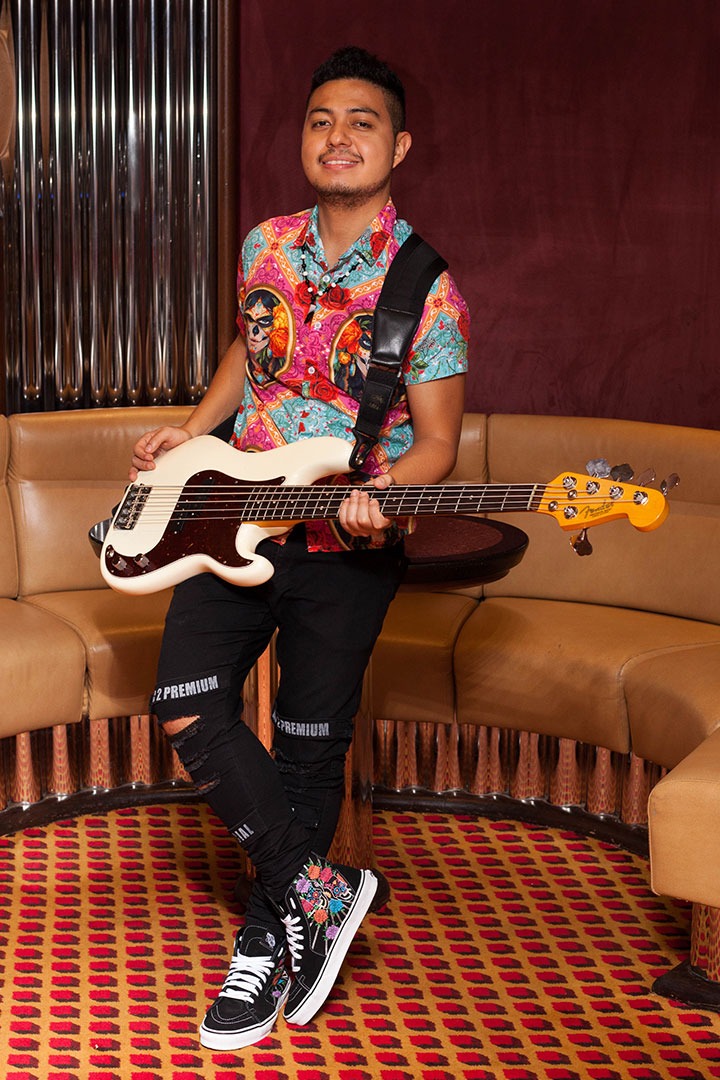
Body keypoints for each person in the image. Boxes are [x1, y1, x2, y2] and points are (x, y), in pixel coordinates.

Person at [129, 45, 469, 1051]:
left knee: (314, 750)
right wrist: (195, 433)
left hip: (347, 545)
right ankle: (319, 894)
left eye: (361, 122)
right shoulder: (263, 243)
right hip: (234, 517)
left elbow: (440, 443)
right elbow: (252, 348)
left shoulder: (429, 288)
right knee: (186, 705)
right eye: (321, 120)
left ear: (397, 145)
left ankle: (265, 938)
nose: (337, 137)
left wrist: (382, 494)